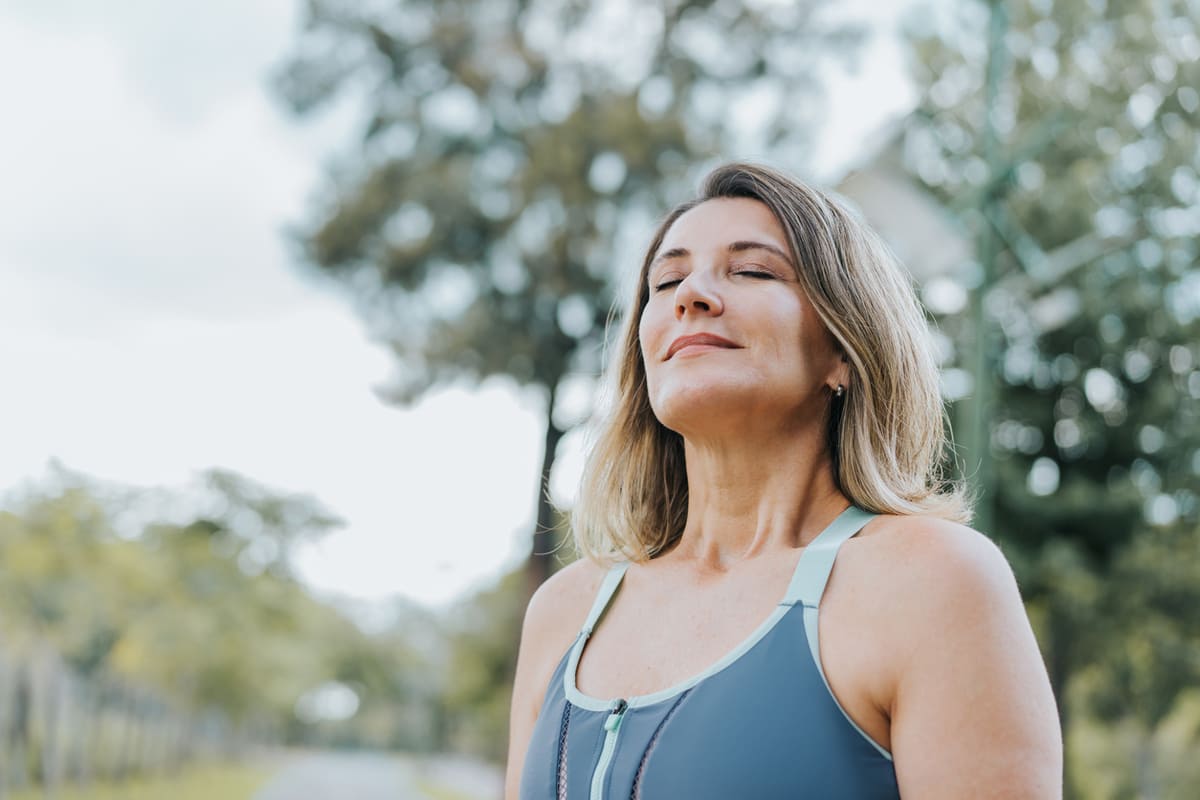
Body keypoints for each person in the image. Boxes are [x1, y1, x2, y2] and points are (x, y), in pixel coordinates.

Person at [505, 163, 1062, 799]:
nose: (692, 295)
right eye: (667, 280)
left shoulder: (934, 582)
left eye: (752, 271)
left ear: (844, 351)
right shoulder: (564, 610)